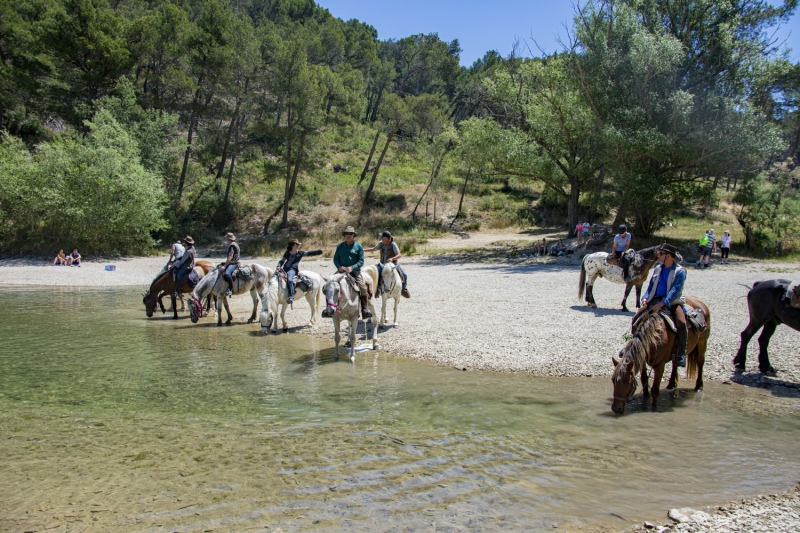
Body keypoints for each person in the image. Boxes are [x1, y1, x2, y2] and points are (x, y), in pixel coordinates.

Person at [632, 243, 688, 367]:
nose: (658, 255)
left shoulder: (680, 272)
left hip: (672, 302)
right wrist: (645, 297)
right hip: (654, 300)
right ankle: (633, 346)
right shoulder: (658, 268)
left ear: (668, 256)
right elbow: (651, 286)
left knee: (682, 323)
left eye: (661, 253)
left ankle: (681, 354)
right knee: (636, 319)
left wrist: (662, 304)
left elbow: (675, 291)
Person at [333, 226, 372, 319]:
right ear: (345, 235)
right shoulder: (340, 246)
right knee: (331, 284)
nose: (348, 235)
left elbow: (361, 261)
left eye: (350, 234)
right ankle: (330, 308)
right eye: (347, 233)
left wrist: (352, 267)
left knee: (363, 287)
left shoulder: (359, 246)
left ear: (353, 235)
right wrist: (339, 267)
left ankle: (364, 309)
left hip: (354, 271)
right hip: (342, 270)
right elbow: (335, 259)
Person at [276, 239, 325, 304]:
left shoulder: (300, 253)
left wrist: (320, 251)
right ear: (293, 245)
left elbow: (310, 253)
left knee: (290, 280)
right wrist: (279, 265)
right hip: (285, 269)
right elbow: (282, 261)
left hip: (292, 270)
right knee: (274, 277)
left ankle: (291, 296)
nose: (298, 246)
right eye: (297, 244)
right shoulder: (287, 253)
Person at [365, 231, 410, 298]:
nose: (381, 237)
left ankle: (404, 289)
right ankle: (377, 290)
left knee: (405, 275)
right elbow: (374, 249)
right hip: (382, 264)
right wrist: (362, 250)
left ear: (387, 238)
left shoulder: (393, 244)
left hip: (393, 264)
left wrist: (392, 258)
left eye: (382, 236)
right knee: (377, 274)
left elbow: (399, 254)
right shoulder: (381, 243)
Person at [220, 233, 240, 297]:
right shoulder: (235, 244)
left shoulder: (232, 246)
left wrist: (225, 266)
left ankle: (230, 289)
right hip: (234, 262)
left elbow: (230, 256)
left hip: (233, 263)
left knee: (227, 273)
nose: (226, 239)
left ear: (228, 239)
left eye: (226, 238)